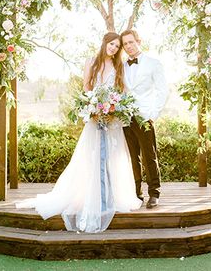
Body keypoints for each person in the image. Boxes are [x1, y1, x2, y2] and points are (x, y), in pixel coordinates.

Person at [16, 32, 142, 233]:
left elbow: (122, 90)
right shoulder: (91, 62)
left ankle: (111, 196)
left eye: (117, 47)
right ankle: (93, 196)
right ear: (105, 43)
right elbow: (86, 86)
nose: (114, 48)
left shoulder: (119, 66)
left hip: (112, 119)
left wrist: (117, 108)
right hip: (95, 116)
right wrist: (93, 107)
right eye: (112, 44)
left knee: (112, 157)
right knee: (92, 157)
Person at [120, 29, 168, 209]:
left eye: (131, 42)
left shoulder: (153, 63)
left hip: (144, 117)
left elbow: (163, 91)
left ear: (139, 41)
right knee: (132, 157)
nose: (128, 46)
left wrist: (152, 114)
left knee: (149, 156)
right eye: (125, 44)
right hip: (125, 118)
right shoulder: (122, 66)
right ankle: (136, 193)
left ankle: (154, 193)